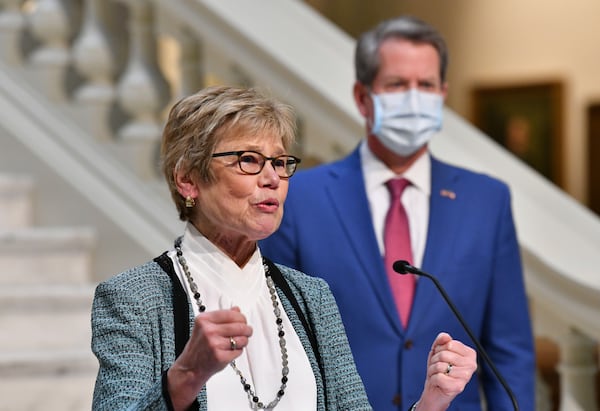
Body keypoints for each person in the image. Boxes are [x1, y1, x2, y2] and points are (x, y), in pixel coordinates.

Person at [91, 85, 477, 411]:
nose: (273, 178)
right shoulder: (134, 298)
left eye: (280, 162)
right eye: (248, 160)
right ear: (188, 180)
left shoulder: (311, 297)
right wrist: (187, 376)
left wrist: (430, 401)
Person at [260, 16, 535, 411]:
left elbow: (509, 350)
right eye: (396, 84)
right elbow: (275, 340)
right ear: (362, 97)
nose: (412, 98)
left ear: (443, 94)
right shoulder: (299, 197)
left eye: (425, 85)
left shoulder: (486, 200)